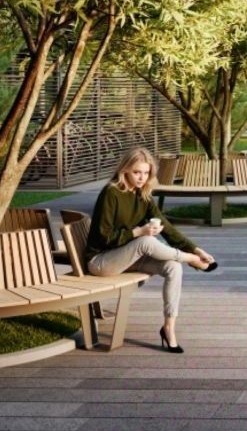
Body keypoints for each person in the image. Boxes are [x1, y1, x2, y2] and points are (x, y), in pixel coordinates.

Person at [86, 148, 217, 355]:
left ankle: (168, 328)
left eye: (146, 173)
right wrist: (139, 231)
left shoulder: (142, 193)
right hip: (101, 261)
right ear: (125, 170)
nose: (142, 177)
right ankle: (190, 259)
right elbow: (104, 237)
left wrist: (194, 247)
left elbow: (165, 225)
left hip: (127, 258)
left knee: (173, 267)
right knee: (146, 241)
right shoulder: (111, 193)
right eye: (137, 172)